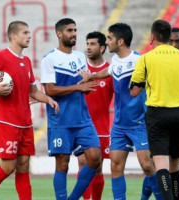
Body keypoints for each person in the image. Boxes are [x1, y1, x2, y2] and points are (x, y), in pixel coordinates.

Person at [0, 21, 59, 200]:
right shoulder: (1, 57)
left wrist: (48, 99)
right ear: (13, 35)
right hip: (6, 120)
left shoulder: (27, 61)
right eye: (25, 33)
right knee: (8, 166)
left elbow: (33, 91)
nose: (29, 36)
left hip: (25, 121)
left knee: (23, 166)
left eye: (29, 33)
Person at [78, 23, 162, 200]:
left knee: (147, 165)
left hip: (139, 123)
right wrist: (91, 76)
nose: (107, 42)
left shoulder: (140, 61)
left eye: (109, 38)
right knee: (115, 166)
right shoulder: (115, 60)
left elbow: (155, 82)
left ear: (121, 41)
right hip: (119, 125)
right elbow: (107, 72)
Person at [130, 19, 179, 200]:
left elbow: (134, 91)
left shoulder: (146, 58)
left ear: (153, 37)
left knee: (161, 164)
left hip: (157, 114)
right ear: (169, 37)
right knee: (176, 165)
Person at [40, 18, 102, 200]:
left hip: (82, 119)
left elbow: (84, 87)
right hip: (60, 120)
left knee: (94, 157)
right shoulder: (49, 58)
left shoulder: (80, 57)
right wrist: (78, 87)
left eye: (75, 30)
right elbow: (50, 90)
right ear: (59, 34)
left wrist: (88, 83)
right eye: (69, 30)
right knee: (63, 164)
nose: (74, 34)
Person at [76, 31, 114, 200]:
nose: (88, 47)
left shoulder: (110, 71)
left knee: (97, 166)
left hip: (101, 126)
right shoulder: (80, 69)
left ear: (102, 47)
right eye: (87, 44)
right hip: (81, 124)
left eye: (92, 44)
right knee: (83, 163)